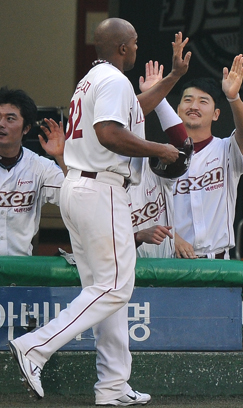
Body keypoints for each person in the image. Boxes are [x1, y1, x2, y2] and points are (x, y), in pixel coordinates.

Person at [8, 18, 190, 405]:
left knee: (104, 290)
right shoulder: (112, 80)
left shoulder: (93, 79)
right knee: (114, 287)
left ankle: (112, 387)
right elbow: (109, 132)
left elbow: (134, 111)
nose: (138, 48)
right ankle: (35, 347)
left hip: (80, 185)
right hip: (100, 188)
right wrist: (159, 149)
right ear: (123, 48)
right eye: (135, 43)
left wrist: (173, 77)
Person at [172, 55, 243, 260]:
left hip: (218, 261)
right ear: (177, 110)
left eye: (203, 101)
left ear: (216, 114)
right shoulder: (161, 157)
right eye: (188, 100)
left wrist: (233, 98)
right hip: (173, 261)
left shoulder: (226, 149)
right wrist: (171, 237)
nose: (194, 106)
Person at [128, 60, 191, 259]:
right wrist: (138, 236)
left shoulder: (152, 165)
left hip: (165, 269)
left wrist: (158, 96)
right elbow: (101, 244)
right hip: (123, 273)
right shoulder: (100, 177)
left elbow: (183, 146)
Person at [0, 87, 67, 256]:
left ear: (26, 128)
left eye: (10, 119)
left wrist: (61, 156)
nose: (1, 124)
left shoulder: (40, 167)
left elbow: (77, 195)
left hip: (21, 270)